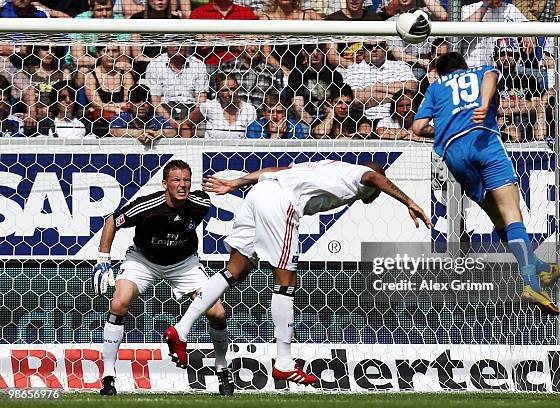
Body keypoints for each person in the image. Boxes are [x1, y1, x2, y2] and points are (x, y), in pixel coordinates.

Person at [163, 159, 432, 384]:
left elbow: (277, 170)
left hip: (259, 194)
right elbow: (373, 177)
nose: (375, 194)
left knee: (235, 270)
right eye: (377, 191)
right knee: (285, 282)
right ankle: (284, 362)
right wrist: (407, 200)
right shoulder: (358, 176)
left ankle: (181, 329)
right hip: (280, 203)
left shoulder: (328, 166)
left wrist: (236, 183)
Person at [412, 52, 560, 316]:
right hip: (484, 142)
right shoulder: (478, 71)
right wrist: (483, 105)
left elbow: (417, 127)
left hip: (455, 155)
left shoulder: (435, 87)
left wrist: (447, 128)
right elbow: (492, 75)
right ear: (464, 67)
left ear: (440, 73)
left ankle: (539, 266)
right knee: (512, 213)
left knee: (499, 220)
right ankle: (531, 284)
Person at [92, 160, 234, 396]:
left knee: (217, 312)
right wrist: (103, 259)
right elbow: (111, 221)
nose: (182, 185)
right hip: (143, 261)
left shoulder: (200, 204)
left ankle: (222, 370)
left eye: (186, 180)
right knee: (119, 302)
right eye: (176, 180)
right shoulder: (147, 206)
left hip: (183, 264)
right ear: (165, 184)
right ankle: (108, 377)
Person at [342, 40, 418, 121]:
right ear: (363, 49)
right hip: (371, 119)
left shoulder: (400, 65)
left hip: (401, 118)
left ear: (385, 47)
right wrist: (399, 97)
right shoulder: (354, 69)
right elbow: (357, 99)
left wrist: (377, 87)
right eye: (369, 47)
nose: (374, 49)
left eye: (379, 46)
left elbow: (412, 87)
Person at [144, 46, 209, 137]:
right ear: (166, 44)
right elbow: (155, 103)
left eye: (182, 40)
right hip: (165, 111)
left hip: (192, 111)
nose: (178, 45)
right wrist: (172, 121)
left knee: (189, 127)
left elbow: (201, 102)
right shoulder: (155, 65)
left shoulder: (198, 65)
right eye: (175, 40)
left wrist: (187, 122)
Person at [493, 42, 547, 141]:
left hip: (527, 124)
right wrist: (521, 103)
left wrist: (507, 109)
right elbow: (490, 106)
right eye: (501, 54)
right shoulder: (490, 80)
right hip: (501, 123)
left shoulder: (528, 79)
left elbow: (536, 105)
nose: (506, 58)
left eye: (510, 55)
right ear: (495, 58)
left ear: (517, 57)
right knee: (513, 133)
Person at [286, 44, 345, 124]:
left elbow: (339, 104)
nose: (315, 54)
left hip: (329, 117)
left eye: (319, 50)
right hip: (305, 121)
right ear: (304, 52)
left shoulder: (335, 76)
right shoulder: (297, 75)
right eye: (310, 50)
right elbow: (299, 108)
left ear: (324, 51)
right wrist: (314, 127)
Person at [215, 45, 285, 113]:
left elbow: (276, 102)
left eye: (257, 44)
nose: (252, 48)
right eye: (249, 43)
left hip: (260, 120)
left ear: (262, 46)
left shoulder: (272, 72)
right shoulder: (227, 68)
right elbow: (216, 97)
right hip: (232, 116)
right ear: (241, 45)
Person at [461, 0, 528, 67]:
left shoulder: (511, 9)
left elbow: (527, 25)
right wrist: (485, 5)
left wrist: (529, 35)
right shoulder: (468, 9)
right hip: (472, 66)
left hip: (503, 67)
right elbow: (464, 29)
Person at [189, 73, 257, 138]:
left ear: (238, 89)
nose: (230, 93)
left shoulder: (249, 110)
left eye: (233, 89)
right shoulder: (210, 107)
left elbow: (254, 137)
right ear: (218, 92)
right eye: (225, 90)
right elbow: (186, 124)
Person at [110, 84, 176, 142]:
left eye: (145, 100)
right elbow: (115, 131)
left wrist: (157, 133)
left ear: (150, 104)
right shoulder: (120, 117)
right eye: (137, 100)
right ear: (128, 104)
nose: (142, 104)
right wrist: (139, 133)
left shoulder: (156, 118)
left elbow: (173, 132)